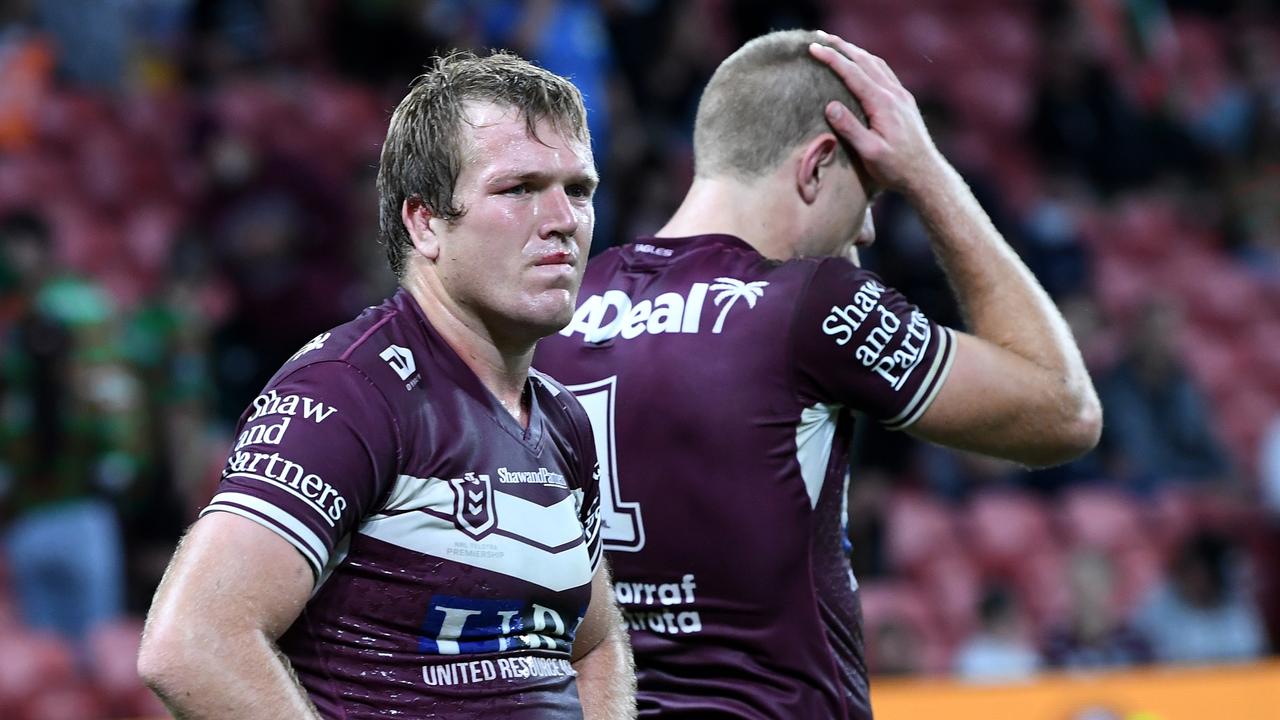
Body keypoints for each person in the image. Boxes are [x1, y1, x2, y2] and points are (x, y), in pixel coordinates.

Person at [534, 30, 1101, 718]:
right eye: (869, 196)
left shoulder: (557, 310)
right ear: (816, 165)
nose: (865, 232)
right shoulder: (809, 304)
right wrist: (926, 173)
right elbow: (1064, 410)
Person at [137, 51, 635, 720]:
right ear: (425, 221)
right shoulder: (351, 391)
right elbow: (192, 642)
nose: (563, 220)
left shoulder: (562, 420)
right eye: (518, 188)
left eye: (578, 189)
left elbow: (595, 644)